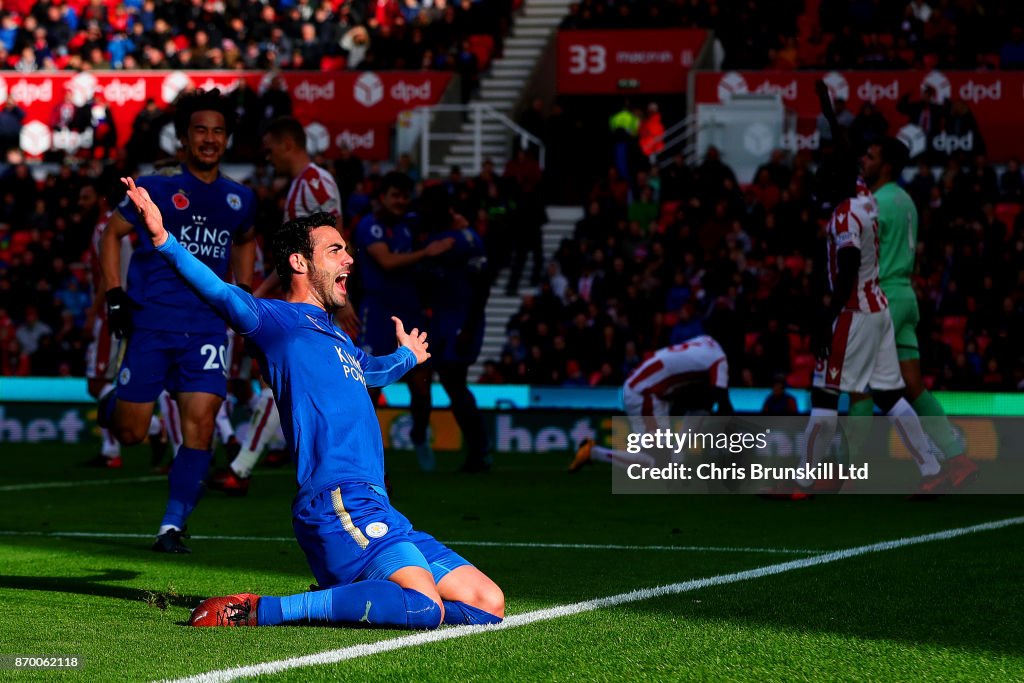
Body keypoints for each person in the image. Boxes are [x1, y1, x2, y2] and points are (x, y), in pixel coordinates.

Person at [121, 180, 504, 630]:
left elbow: (370, 372)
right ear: (299, 262)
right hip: (336, 502)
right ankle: (262, 609)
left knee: (487, 604)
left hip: (378, 507)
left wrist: (407, 356)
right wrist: (164, 240)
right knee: (422, 607)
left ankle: (353, 597)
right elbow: (220, 293)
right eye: (335, 250)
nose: (350, 258)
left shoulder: (337, 334)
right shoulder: (274, 321)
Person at [97, 89, 256, 553]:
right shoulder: (159, 187)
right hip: (151, 324)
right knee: (129, 431)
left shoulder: (240, 198)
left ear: (227, 139)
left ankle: (172, 525)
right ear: (185, 139)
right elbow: (112, 234)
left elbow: (246, 239)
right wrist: (113, 294)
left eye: (218, 131)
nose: (209, 139)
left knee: (201, 425)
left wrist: (242, 290)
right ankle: (113, 401)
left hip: (206, 329)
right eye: (200, 130)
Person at [796, 80, 942, 495]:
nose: (819, 186)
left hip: (855, 311)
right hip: (878, 309)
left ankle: (805, 479)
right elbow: (845, 159)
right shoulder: (862, 195)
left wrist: (824, 319)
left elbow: (844, 271)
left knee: (824, 393)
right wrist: (828, 113)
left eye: (823, 181)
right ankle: (931, 468)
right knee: (891, 394)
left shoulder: (845, 215)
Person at [210, 116, 346, 495]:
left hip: (308, 301)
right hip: (306, 298)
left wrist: (333, 293)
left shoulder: (313, 183)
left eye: (270, 146)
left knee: (282, 381)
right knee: (293, 382)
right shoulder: (306, 184)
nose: (266, 154)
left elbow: (326, 246)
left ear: (288, 144)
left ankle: (241, 469)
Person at [849, 137, 977, 492]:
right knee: (914, 385)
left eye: (870, 154)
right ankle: (957, 457)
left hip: (882, 296)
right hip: (906, 295)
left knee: (858, 387)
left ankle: (842, 468)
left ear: (886, 164)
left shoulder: (876, 203)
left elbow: (854, 250)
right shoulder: (906, 200)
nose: (865, 159)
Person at [354, 172, 453, 471]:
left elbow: (438, 216)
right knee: (370, 386)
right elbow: (385, 261)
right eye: (394, 195)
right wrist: (426, 253)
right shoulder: (369, 226)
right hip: (379, 313)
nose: (400, 201)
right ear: (381, 197)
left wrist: (458, 226)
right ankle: (363, 455)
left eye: (404, 196)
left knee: (422, 387)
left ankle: (419, 435)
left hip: (411, 312)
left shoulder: (409, 224)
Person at [569, 335, 733, 472]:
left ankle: (678, 457)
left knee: (702, 404)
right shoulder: (720, 363)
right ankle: (593, 452)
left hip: (650, 388)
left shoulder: (707, 341)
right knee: (659, 464)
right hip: (645, 394)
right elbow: (723, 403)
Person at [418, 185, 492, 472]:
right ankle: (478, 451)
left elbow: (482, 284)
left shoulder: (465, 238)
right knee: (452, 383)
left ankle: (480, 451)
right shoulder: (441, 235)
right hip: (443, 319)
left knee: (454, 381)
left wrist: (470, 327)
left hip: (461, 322)